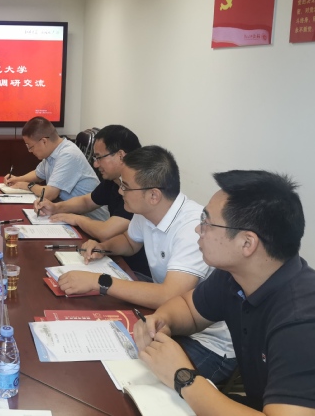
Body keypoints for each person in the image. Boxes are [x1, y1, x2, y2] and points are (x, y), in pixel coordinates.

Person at [134, 170, 315, 415]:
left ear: (247, 243)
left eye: (207, 222)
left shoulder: (306, 322)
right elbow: (189, 309)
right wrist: (162, 321)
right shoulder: (235, 275)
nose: (198, 230)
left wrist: (183, 376)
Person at [58, 146, 236, 383]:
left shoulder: (192, 228)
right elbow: (129, 242)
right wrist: (102, 247)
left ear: (153, 195)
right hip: (166, 322)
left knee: (127, 379)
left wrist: (99, 281)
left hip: (208, 343)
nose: (120, 191)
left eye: (126, 186)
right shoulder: (146, 211)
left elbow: (169, 295)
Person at [34, 124, 150, 276]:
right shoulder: (114, 180)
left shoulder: (138, 190)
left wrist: (76, 219)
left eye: (99, 158)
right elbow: (87, 201)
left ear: (120, 156)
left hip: (136, 271)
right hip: (116, 257)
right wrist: (56, 208)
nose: (95, 164)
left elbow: (106, 231)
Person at [4, 117, 107, 221]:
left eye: (30, 147)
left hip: (92, 221)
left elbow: (50, 194)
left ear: (44, 141)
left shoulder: (68, 154)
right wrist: (17, 179)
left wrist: (28, 185)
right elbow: (38, 174)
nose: (30, 151)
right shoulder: (52, 152)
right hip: (71, 215)